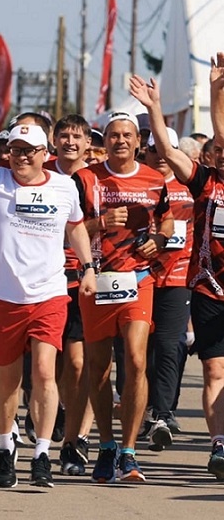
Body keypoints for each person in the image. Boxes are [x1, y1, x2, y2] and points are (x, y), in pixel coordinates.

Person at [0, 72, 97, 489]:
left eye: (29, 151)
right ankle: (6, 444)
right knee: (9, 378)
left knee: (45, 373)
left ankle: (42, 452)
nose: (21, 157)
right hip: (3, 296)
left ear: (45, 153)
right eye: (14, 150)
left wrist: (87, 267)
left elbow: (76, 227)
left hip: (49, 294)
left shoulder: (64, 187)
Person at [130, 67, 224, 480]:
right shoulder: (205, 183)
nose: (223, 152)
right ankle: (219, 445)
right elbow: (167, 150)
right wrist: (154, 108)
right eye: (218, 150)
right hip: (208, 290)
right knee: (214, 371)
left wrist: (216, 91)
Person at [72, 110, 173, 483]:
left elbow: (167, 219)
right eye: (114, 135)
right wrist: (99, 223)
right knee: (98, 367)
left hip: (137, 280)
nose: (120, 141)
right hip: (98, 280)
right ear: (105, 140)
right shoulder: (86, 178)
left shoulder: (154, 179)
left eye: (127, 135)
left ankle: (129, 452)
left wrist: (159, 239)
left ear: (138, 141)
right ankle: (106, 445)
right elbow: (70, 227)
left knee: (135, 359)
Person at [141, 128, 194, 451]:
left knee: (169, 344)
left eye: (166, 149)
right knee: (140, 350)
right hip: (140, 277)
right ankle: (147, 409)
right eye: (153, 150)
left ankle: (163, 413)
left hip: (178, 278)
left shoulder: (190, 186)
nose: (160, 156)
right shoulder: (138, 185)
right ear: (144, 153)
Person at [51, 115, 94, 476]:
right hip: (48, 279)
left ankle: (77, 439)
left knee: (80, 363)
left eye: (76, 136)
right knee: (52, 365)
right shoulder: (42, 174)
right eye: (64, 135)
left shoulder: (96, 178)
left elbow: (96, 227)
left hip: (86, 278)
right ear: (54, 140)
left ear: (87, 143)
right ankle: (62, 409)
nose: (70, 141)